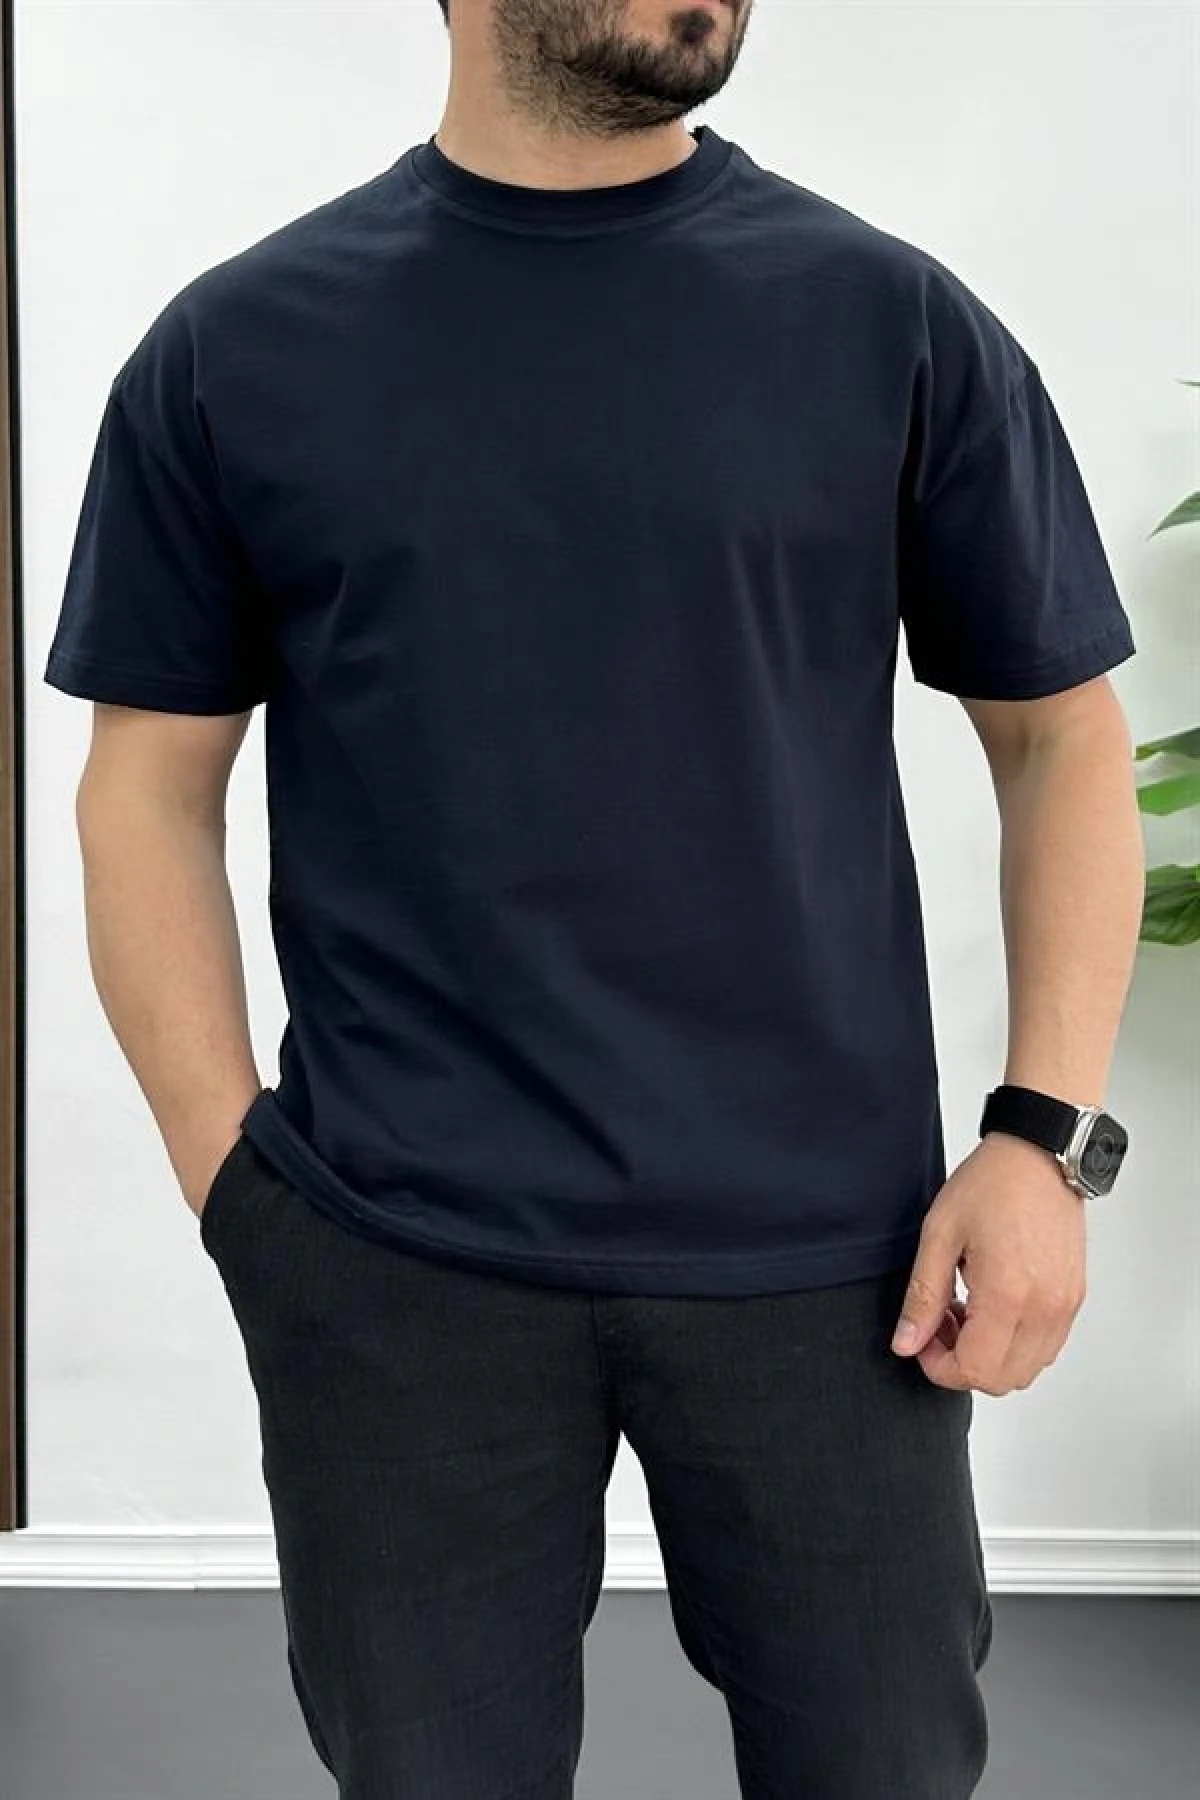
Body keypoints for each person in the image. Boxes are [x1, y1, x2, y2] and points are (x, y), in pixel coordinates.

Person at [44, 1, 1144, 1794]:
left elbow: (1059, 737)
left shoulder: (888, 321)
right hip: (398, 1264)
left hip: (834, 1269)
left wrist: (1042, 1141)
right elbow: (149, 790)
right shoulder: (236, 350)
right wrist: (240, 1191)